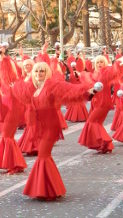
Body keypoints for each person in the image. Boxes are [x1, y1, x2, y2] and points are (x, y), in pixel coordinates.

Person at [13, 62, 93, 200]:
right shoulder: (34, 88)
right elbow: (20, 91)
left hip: (50, 127)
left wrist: (87, 92)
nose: (39, 74)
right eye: (37, 71)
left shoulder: (52, 85)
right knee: (44, 156)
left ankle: (46, 189)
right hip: (39, 128)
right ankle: (50, 187)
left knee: (43, 155)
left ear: (47, 72)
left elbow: (69, 90)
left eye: (42, 71)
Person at [0, 42, 27, 174]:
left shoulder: (11, 80)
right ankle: (14, 163)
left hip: (12, 109)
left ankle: (13, 164)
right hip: (7, 110)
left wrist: (3, 56)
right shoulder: (2, 81)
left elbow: (6, 65)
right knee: (7, 136)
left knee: (7, 135)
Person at [79, 55, 116, 153]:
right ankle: (104, 145)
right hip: (96, 103)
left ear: (105, 63)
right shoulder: (94, 74)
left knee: (92, 122)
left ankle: (106, 142)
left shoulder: (107, 73)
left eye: (101, 62)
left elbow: (114, 72)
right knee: (97, 123)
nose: (99, 64)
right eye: (98, 62)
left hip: (103, 103)